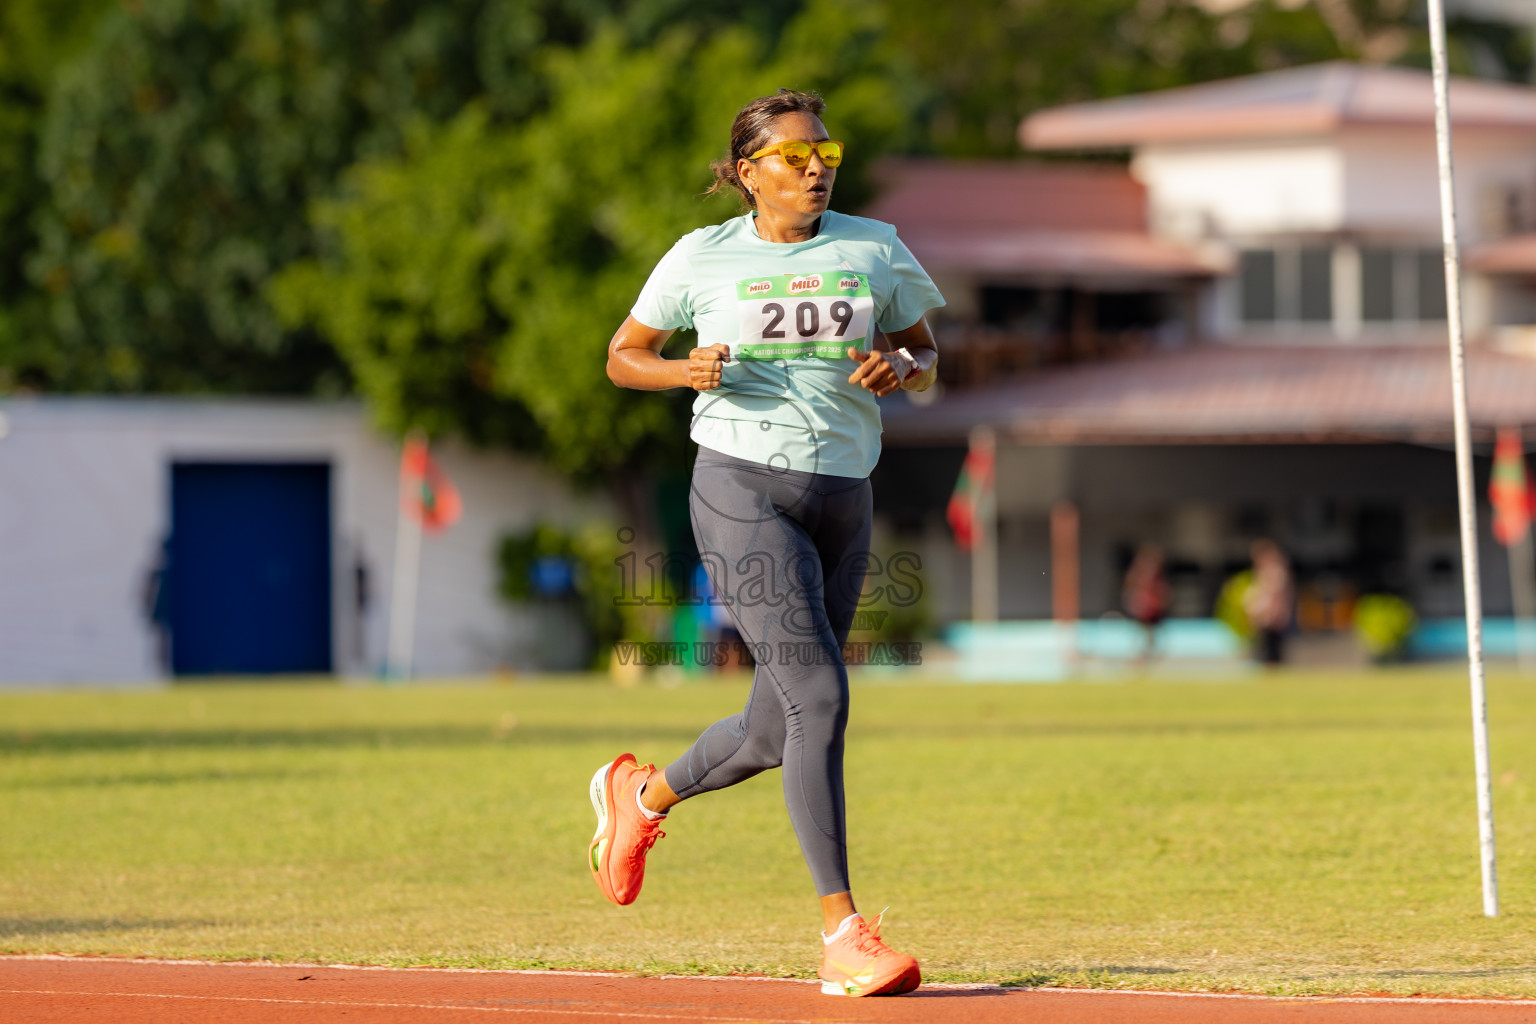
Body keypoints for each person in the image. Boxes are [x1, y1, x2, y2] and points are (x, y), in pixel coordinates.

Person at [595, 88, 943, 998]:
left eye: (826, 152)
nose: (818, 167)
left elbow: (926, 351)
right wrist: (681, 368)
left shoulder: (875, 246)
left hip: (845, 493)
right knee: (820, 696)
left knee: (772, 727)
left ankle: (639, 798)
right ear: (748, 174)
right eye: (795, 157)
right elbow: (621, 354)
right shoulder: (701, 257)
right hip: (742, 488)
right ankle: (844, 936)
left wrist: (903, 368)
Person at [1244, 538, 1293, 666]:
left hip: (1271, 620)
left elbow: (1273, 598)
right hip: (1265, 620)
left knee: (1272, 655)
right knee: (1265, 653)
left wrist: (1268, 615)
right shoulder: (1263, 572)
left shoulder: (1275, 572)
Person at [1121, 543, 1169, 664]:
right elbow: (1130, 589)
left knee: (1152, 634)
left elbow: (1162, 591)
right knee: (1141, 633)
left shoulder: (1157, 577)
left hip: (1152, 609)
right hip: (1142, 608)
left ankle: (1149, 656)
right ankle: (1139, 656)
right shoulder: (1137, 575)